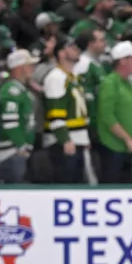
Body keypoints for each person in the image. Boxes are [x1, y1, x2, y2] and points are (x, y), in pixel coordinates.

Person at [43, 35, 91, 184]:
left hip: (78, 140)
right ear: (61, 53)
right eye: (71, 47)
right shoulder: (56, 78)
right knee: (67, 184)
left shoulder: (73, 78)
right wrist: (65, 139)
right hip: (65, 143)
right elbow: (55, 113)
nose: (76, 50)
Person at [96, 41, 132, 184]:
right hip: (113, 147)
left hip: (127, 148)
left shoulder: (127, 83)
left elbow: (130, 113)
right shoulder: (110, 83)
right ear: (123, 61)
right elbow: (107, 116)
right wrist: (127, 139)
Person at [0, 49, 39, 184]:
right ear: (20, 67)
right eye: (29, 65)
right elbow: (10, 123)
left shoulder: (21, 89)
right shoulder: (11, 91)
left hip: (18, 152)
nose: (33, 68)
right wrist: (21, 146)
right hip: (11, 153)